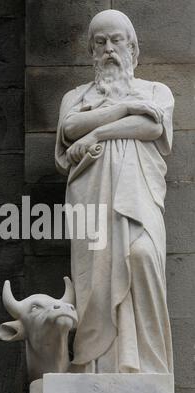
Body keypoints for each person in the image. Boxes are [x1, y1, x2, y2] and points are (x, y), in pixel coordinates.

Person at [55, 10, 174, 373]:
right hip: (90, 198)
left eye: (116, 40)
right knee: (95, 277)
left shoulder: (156, 91)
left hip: (138, 196)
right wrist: (122, 107)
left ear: (132, 47)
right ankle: (94, 365)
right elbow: (71, 126)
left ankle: (149, 367)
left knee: (142, 256)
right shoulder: (75, 96)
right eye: (101, 42)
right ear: (92, 51)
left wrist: (97, 133)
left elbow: (151, 127)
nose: (109, 49)